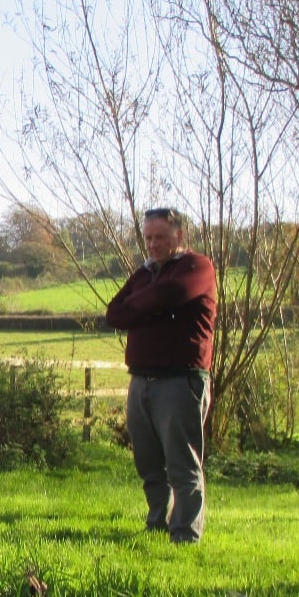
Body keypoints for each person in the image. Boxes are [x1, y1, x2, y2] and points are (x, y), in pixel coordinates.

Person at [104, 207, 218, 544]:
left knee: (182, 462)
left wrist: (142, 306)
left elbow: (172, 294)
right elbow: (114, 312)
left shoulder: (197, 266)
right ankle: (157, 522)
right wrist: (153, 307)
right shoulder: (145, 273)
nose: (153, 244)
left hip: (180, 380)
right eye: (149, 237)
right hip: (141, 380)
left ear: (179, 236)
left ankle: (185, 532)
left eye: (161, 237)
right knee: (149, 462)